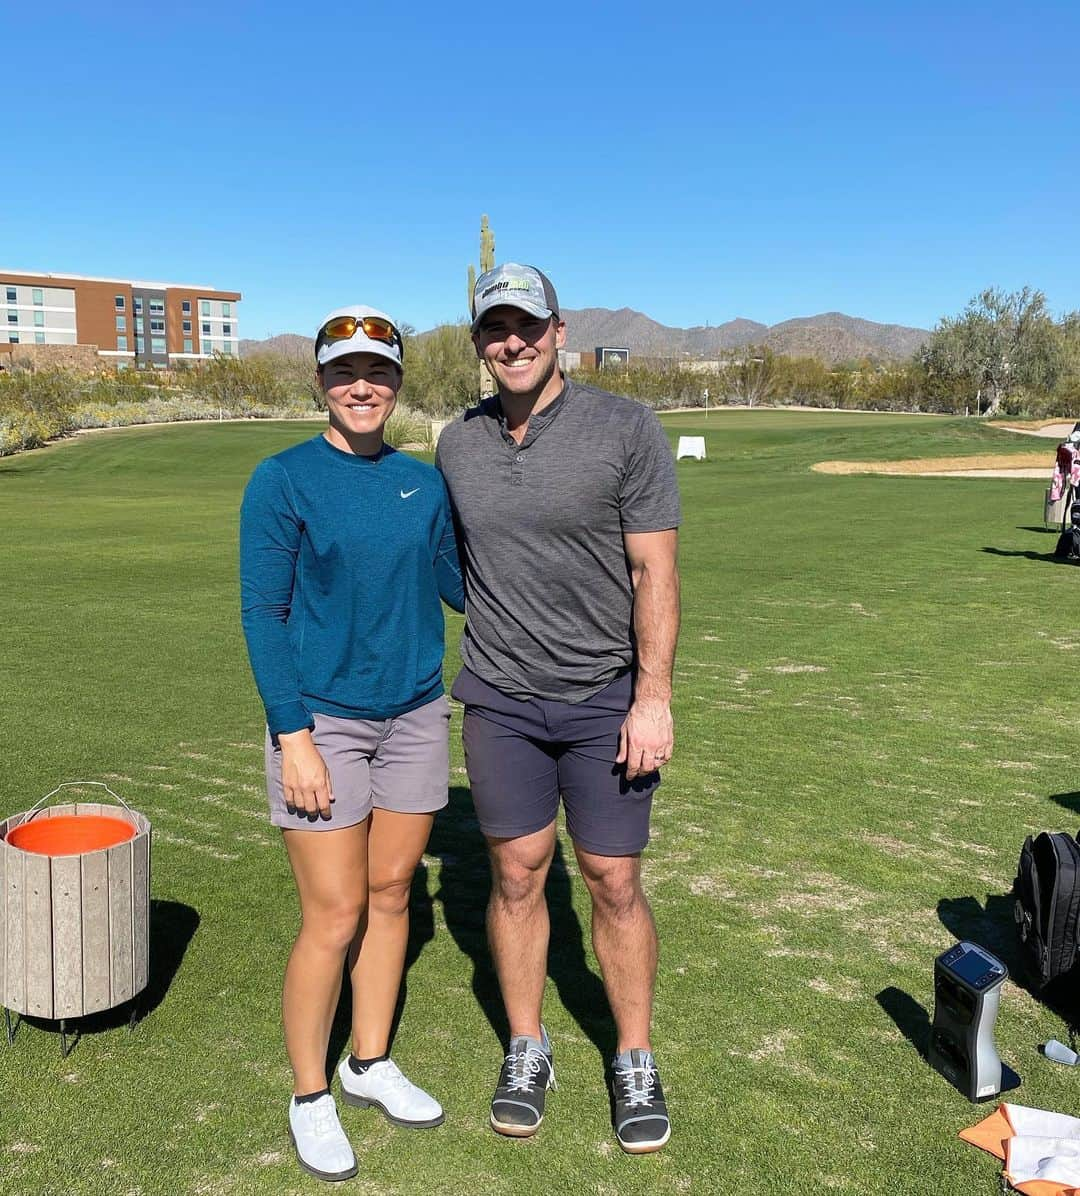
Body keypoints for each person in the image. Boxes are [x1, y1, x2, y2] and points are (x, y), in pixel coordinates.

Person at [435, 263, 681, 1154]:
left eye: (527, 325)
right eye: (495, 328)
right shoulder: (455, 443)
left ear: (559, 330)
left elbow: (655, 569)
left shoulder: (627, 427)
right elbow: (448, 560)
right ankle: (528, 1046)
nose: (513, 341)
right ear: (478, 344)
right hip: (500, 698)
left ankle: (634, 1055)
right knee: (515, 875)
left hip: (606, 697)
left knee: (613, 880)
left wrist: (652, 697)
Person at [240, 306, 464, 1182]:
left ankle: (368, 1063)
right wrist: (293, 738)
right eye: (344, 373)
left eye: (377, 372)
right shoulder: (282, 479)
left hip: (413, 713)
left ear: (398, 385)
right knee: (333, 915)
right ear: (322, 384)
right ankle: (309, 1095)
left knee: (393, 893)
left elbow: (457, 582)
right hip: (323, 721)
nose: (361, 387)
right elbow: (266, 612)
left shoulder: (423, 484)